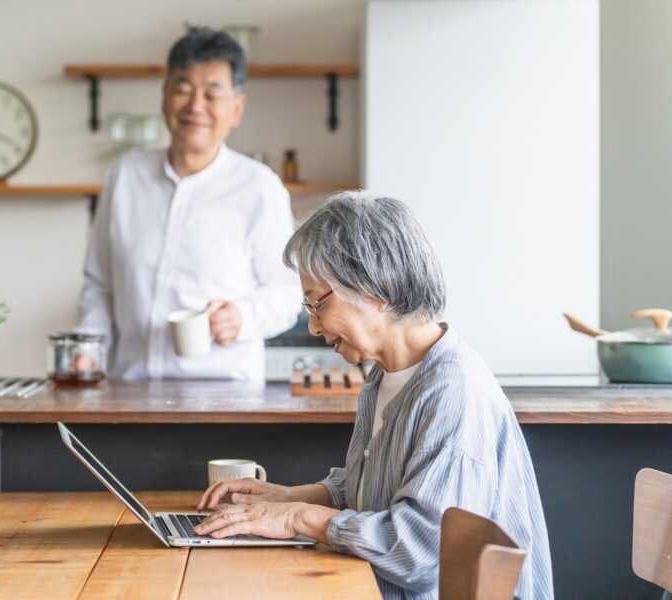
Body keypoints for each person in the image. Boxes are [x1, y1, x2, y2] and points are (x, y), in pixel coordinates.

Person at [194, 192, 553, 599]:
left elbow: (419, 553)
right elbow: (380, 488)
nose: (312, 326)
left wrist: (296, 516)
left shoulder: (454, 394)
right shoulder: (386, 376)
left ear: (377, 289)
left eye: (316, 303)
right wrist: (289, 497)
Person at [74, 27, 300, 381]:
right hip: (128, 392)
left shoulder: (259, 187)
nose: (195, 106)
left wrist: (243, 316)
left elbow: (288, 293)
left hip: (223, 396)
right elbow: (99, 286)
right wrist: (88, 350)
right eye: (182, 90)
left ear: (236, 108)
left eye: (212, 94)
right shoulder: (125, 176)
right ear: (164, 96)